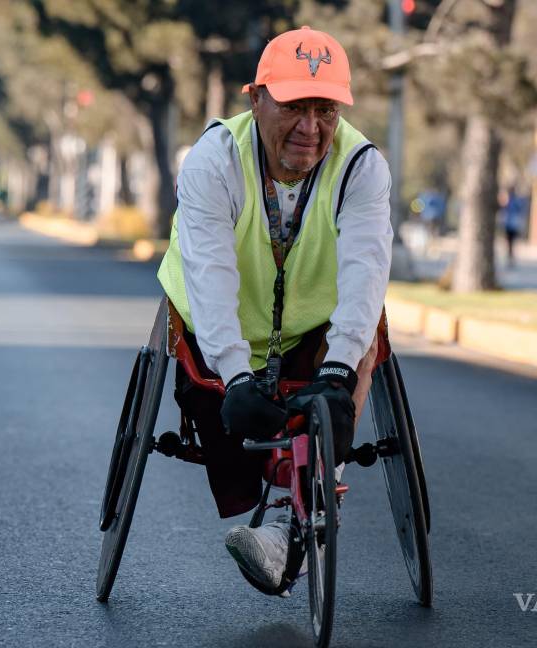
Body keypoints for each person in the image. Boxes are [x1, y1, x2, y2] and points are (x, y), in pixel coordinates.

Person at [156, 26, 393, 595]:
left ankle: (302, 524)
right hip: (217, 329)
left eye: (325, 110)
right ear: (256, 98)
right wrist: (236, 373)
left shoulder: (361, 166)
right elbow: (210, 275)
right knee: (228, 409)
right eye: (293, 107)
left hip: (312, 329)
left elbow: (365, 271)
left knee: (368, 337)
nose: (310, 128)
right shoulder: (213, 161)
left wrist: (338, 371)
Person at [500, 187, 528, 268]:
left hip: (512, 224)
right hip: (510, 224)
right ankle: (510, 257)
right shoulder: (509, 201)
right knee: (510, 242)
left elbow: (520, 209)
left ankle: (511, 257)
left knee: (511, 242)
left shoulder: (513, 201)